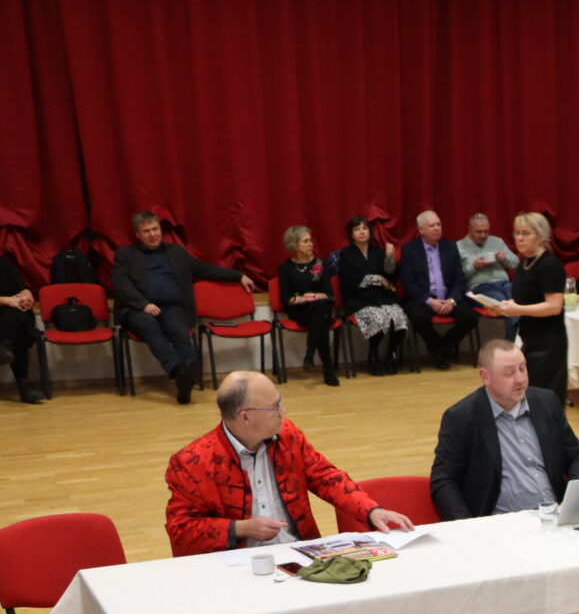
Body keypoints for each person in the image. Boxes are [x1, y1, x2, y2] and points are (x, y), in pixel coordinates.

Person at [163, 371, 413, 555]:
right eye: (274, 406)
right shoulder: (193, 462)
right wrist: (240, 528)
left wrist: (371, 510)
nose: (283, 411)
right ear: (245, 416)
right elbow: (181, 529)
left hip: (299, 555)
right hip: (238, 564)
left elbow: (326, 477)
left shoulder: (288, 436)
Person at [431, 340, 579, 519]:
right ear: (485, 377)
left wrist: (572, 499)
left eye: (523, 368)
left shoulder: (546, 402)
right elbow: (444, 481)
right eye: (509, 373)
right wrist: (469, 527)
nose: (520, 379)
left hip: (554, 517)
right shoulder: (461, 417)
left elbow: (576, 456)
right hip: (503, 524)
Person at [113, 210, 255, 403]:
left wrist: (238, 276)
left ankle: (186, 373)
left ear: (161, 230)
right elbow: (121, 284)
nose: (152, 234)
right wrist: (143, 304)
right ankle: (178, 370)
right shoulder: (125, 254)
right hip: (138, 309)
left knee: (179, 331)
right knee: (150, 326)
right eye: (146, 231)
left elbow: (204, 269)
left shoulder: (176, 252)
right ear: (138, 234)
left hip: (172, 306)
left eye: (155, 229)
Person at [489, 212, 568, 395]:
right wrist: (502, 309)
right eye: (517, 233)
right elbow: (524, 301)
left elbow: (554, 306)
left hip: (548, 343)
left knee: (544, 396)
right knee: (529, 395)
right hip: (529, 338)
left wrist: (517, 309)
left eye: (526, 233)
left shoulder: (549, 265)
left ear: (541, 236)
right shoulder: (523, 263)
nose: (520, 238)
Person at [398, 210, 478, 371]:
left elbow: (459, 278)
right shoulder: (409, 249)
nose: (437, 228)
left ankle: (440, 349)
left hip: (448, 297)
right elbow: (408, 282)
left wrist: (452, 300)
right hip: (423, 298)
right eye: (432, 226)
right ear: (421, 230)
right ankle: (439, 349)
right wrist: (430, 301)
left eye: (438, 224)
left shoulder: (450, 246)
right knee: (419, 317)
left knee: (470, 317)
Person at [335, 216, 408, 377]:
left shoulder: (379, 252)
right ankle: (373, 355)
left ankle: (390, 355)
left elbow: (391, 276)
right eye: (357, 229)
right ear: (351, 234)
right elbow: (349, 280)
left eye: (365, 228)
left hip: (382, 297)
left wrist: (390, 259)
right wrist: (378, 279)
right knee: (378, 318)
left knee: (399, 318)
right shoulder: (345, 254)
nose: (362, 232)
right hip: (358, 299)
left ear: (370, 231)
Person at [277, 225, 338, 386]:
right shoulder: (285, 268)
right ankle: (328, 368)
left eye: (310, 240)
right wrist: (303, 298)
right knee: (321, 317)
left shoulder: (320, 264)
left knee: (319, 309)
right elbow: (286, 298)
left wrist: (317, 295)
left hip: (321, 307)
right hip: (300, 310)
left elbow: (329, 294)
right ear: (295, 245)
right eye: (305, 241)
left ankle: (310, 352)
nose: (311, 244)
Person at [458, 213, 517, 338]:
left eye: (486, 231)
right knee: (503, 303)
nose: (483, 235)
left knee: (519, 299)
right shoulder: (459, 247)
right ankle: (513, 345)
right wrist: (474, 267)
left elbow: (516, 263)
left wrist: (504, 258)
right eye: (479, 232)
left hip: (504, 283)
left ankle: (517, 342)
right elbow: (455, 276)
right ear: (469, 229)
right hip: (480, 288)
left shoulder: (497, 241)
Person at [0, 252, 43, 403]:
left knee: (21, 315)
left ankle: (4, 345)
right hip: (6, 316)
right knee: (19, 327)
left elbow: (21, 287)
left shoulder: (3, 264)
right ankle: (24, 386)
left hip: (6, 318)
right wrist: (6, 300)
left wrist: (26, 296)